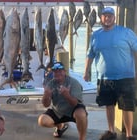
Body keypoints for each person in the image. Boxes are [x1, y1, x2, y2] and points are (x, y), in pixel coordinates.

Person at [83, 7, 137, 140]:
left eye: (110, 16)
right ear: (101, 18)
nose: (107, 18)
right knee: (109, 105)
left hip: (126, 76)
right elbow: (90, 55)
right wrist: (86, 71)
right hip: (105, 78)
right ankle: (111, 131)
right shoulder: (96, 35)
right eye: (105, 16)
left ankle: (129, 134)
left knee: (127, 106)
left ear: (114, 18)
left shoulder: (126, 32)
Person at [38, 62, 87, 140]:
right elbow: (46, 105)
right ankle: (60, 126)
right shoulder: (50, 84)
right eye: (55, 71)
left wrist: (67, 95)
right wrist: (46, 96)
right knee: (42, 121)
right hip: (58, 111)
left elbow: (75, 103)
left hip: (73, 110)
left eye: (60, 71)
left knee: (81, 114)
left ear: (65, 71)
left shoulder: (74, 83)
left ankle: (82, 138)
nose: (57, 73)